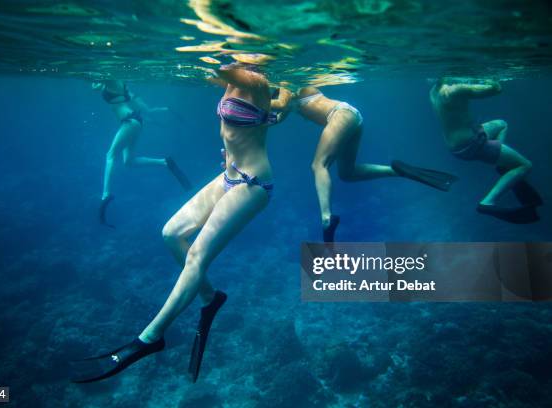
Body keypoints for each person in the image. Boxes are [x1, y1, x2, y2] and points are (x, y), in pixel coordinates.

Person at [72, 64, 277, 383]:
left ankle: (149, 339)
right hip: (228, 176)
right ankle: (211, 297)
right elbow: (216, 76)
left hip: (252, 184)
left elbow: (225, 69)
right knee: (171, 233)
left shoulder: (257, 83)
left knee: (197, 255)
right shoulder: (239, 83)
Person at [275, 86, 457, 242]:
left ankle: (326, 218)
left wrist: (250, 103)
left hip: (339, 115)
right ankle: (399, 171)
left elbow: (279, 104)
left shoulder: (289, 90)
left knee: (318, 165)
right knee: (347, 173)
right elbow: (274, 118)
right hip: (349, 118)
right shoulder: (286, 98)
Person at [430, 78, 542, 223]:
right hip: (471, 144)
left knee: (502, 124)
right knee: (525, 165)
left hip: (457, 143)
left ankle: (502, 164)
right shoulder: (455, 90)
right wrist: (483, 77)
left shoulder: (434, 91)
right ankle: (487, 202)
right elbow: (496, 88)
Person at [92, 80, 192, 228]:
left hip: (129, 121)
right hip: (133, 122)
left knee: (110, 155)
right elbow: (97, 86)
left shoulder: (114, 81)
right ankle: (165, 162)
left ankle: (105, 194)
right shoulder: (115, 86)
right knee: (129, 162)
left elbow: (105, 82)